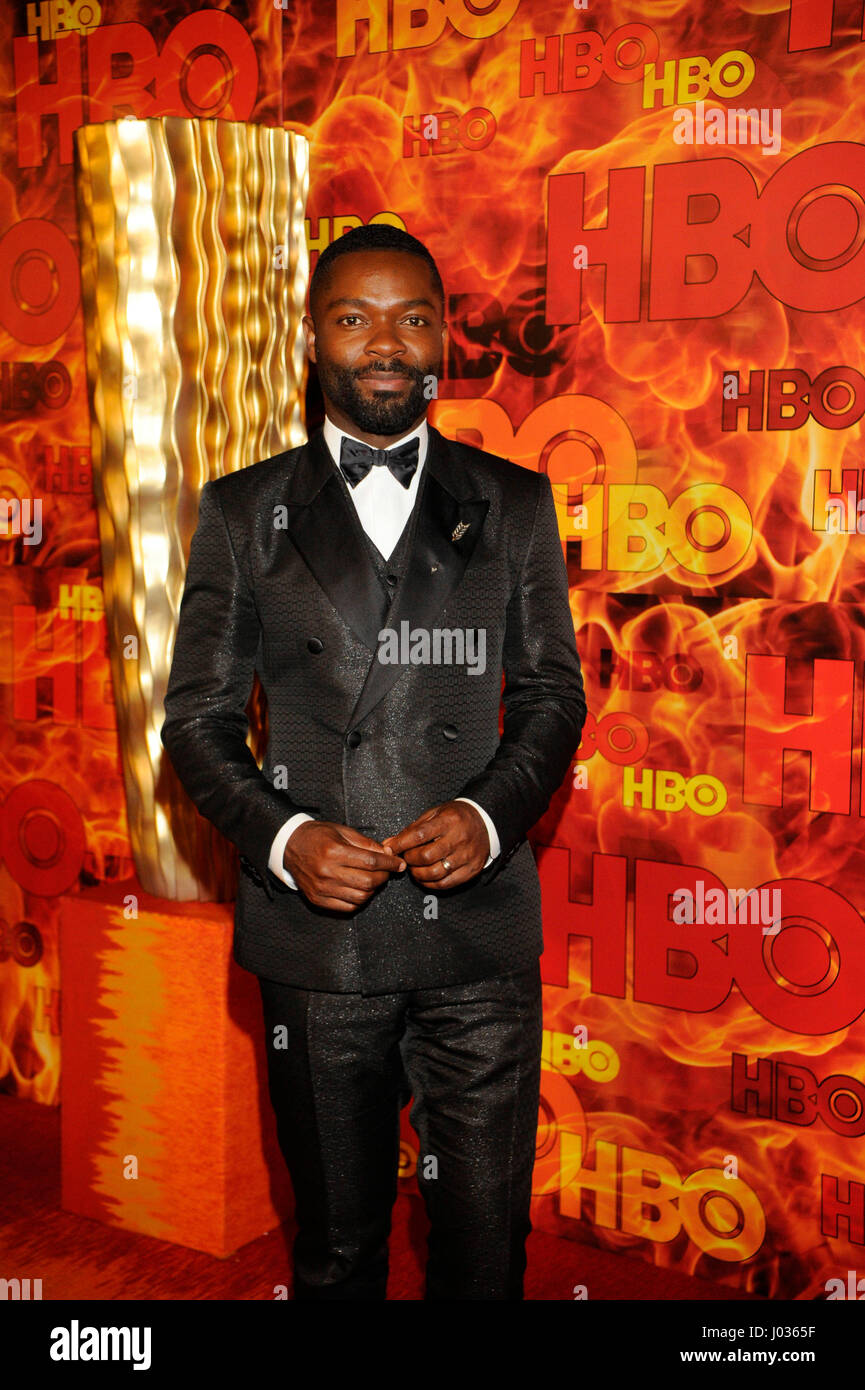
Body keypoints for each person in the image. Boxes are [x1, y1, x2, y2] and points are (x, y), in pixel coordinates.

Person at [161, 223, 586, 1300]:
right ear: (312, 339)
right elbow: (198, 722)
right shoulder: (242, 511)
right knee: (338, 1250)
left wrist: (488, 818)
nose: (385, 344)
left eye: (411, 318)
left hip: (480, 941)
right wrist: (288, 837)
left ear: (445, 338)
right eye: (354, 318)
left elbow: (549, 696)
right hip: (320, 942)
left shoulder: (515, 501)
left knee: (484, 1253)